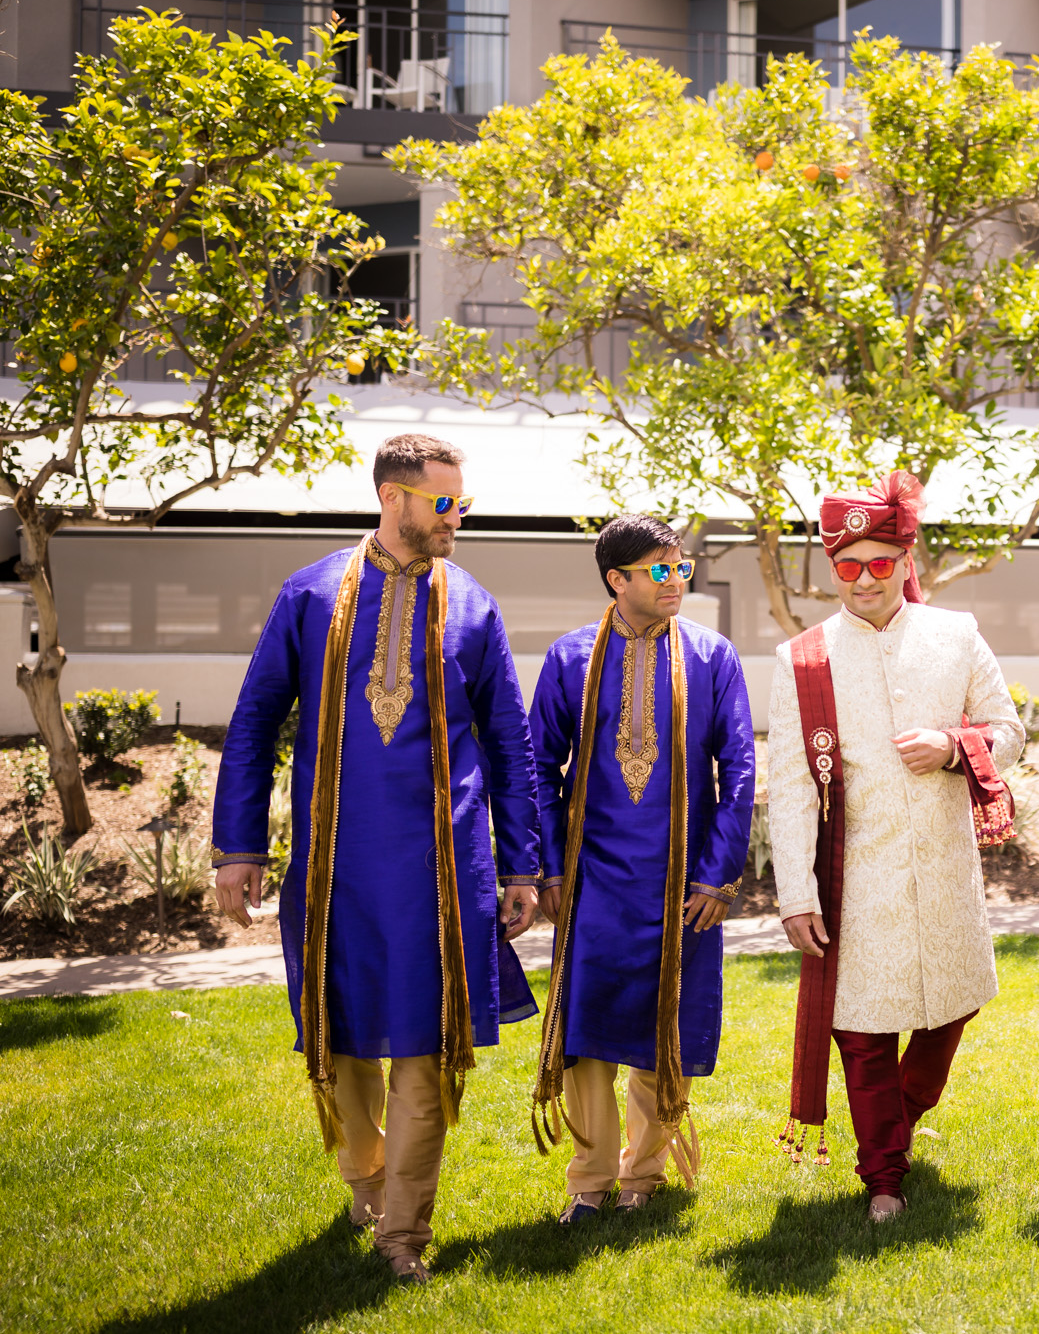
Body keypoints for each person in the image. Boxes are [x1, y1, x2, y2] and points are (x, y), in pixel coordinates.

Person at [211, 433, 542, 1284]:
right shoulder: (312, 594)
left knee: (427, 1049)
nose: (457, 516)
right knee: (344, 1040)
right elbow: (254, 721)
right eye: (445, 502)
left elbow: (509, 741)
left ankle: (404, 1232)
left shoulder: (472, 604)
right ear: (393, 498)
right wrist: (238, 845)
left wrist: (521, 866)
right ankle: (366, 1176)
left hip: (445, 870)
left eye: (462, 501)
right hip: (338, 867)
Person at [764, 472, 1023, 1223]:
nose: (866, 579)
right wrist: (794, 896)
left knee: (950, 1010)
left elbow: (1009, 731)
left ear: (906, 562)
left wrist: (952, 744)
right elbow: (789, 786)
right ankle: (883, 1177)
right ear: (833, 570)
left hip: (944, 869)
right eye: (849, 565)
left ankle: (898, 1126)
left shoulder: (957, 634)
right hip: (856, 876)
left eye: (881, 562)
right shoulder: (803, 659)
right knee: (864, 1032)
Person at [526, 515, 756, 1223]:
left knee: (666, 1026)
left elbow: (739, 768)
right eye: (660, 569)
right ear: (616, 580)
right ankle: (589, 1181)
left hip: (681, 884)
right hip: (593, 881)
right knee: (588, 1032)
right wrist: (548, 867)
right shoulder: (569, 658)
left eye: (680, 566)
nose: (676, 580)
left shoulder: (714, 656)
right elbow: (538, 766)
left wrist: (717, 873)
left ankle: (642, 1176)